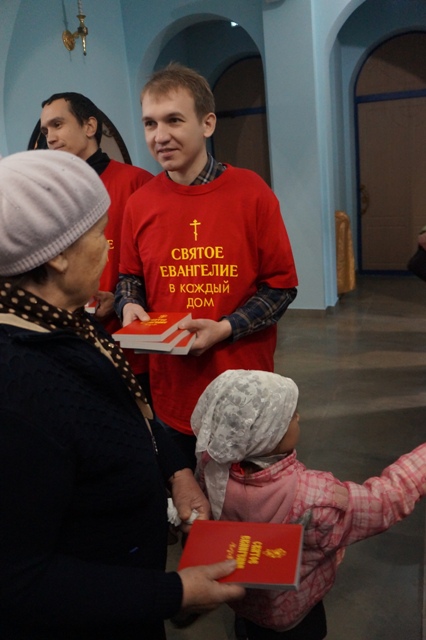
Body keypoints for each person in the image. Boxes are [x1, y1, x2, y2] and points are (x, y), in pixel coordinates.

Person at [0, 150, 245, 640]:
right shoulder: (16, 387)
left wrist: (176, 473)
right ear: (58, 255)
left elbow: (128, 411)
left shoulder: (69, 321)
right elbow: (20, 581)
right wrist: (173, 593)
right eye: (99, 234)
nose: (108, 249)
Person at [115, 63, 298, 471]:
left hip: (242, 389)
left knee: (250, 501)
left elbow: (281, 288)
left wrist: (224, 328)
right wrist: (130, 305)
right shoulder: (140, 203)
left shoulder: (252, 193)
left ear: (207, 123)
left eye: (174, 120)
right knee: (187, 498)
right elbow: (129, 277)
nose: (160, 136)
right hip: (173, 389)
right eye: (149, 123)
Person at [191, 369, 426, 640]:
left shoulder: (210, 469)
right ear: (269, 435)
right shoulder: (315, 497)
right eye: (291, 415)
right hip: (293, 614)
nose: (299, 417)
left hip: (242, 601)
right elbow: (384, 501)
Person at [39, 92, 154, 404]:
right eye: (46, 130)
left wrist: (122, 299)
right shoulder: (50, 192)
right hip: (73, 341)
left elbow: (157, 266)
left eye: (58, 125)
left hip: (130, 342)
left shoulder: (138, 184)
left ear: (90, 126)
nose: (50, 137)